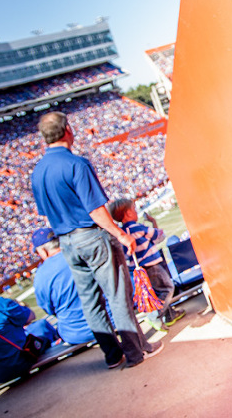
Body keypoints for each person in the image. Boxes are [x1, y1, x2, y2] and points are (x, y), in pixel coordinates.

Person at [30, 111, 163, 369]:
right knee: (118, 295)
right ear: (67, 130)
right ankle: (136, 353)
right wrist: (121, 234)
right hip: (92, 236)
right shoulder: (75, 164)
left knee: (91, 301)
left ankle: (112, 356)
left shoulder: (38, 172)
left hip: (67, 242)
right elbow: (96, 210)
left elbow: (46, 215)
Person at [108, 198, 186, 330]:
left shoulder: (122, 233)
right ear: (128, 213)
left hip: (138, 269)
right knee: (167, 288)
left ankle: (169, 315)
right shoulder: (136, 228)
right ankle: (154, 316)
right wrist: (153, 222)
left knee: (155, 293)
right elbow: (160, 236)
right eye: (133, 209)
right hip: (151, 265)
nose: (136, 211)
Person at [31, 227, 96, 345]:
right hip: (110, 320)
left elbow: (48, 308)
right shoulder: (82, 252)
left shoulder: (41, 275)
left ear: (43, 251)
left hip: (76, 333)